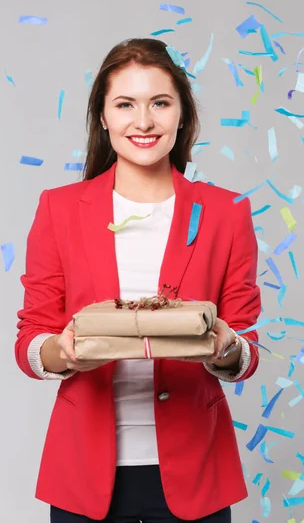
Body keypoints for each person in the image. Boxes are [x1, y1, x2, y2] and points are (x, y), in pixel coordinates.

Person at [15, 38, 261, 523]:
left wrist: (228, 349)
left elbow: (246, 347)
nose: (143, 122)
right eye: (125, 104)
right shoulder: (58, 209)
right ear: (103, 117)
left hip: (196, 470)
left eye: (160, 103)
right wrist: (59, 351)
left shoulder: (227, 213)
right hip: (84, 473)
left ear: (182, 115)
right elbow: (30, 338)